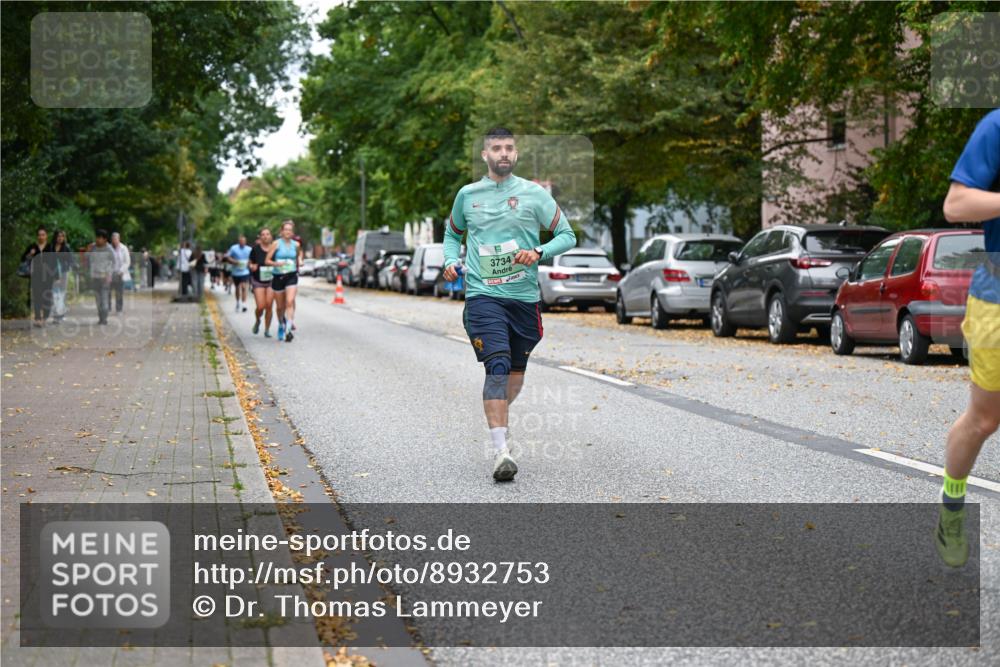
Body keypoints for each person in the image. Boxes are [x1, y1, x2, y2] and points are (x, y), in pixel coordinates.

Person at [442, 127, 576, 481]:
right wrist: (449, 260)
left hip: (524, 298)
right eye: (496, 148)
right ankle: (500, 449)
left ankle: (497, 417)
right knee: (497, 366)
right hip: (483, 295)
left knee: (515, 376)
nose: (504, 153)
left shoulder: (534, 194)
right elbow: (452, 234)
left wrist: (538, 252)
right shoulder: (468, 195)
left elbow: (567, 235)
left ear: (515, 154)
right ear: (485, 155)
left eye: (509, 148)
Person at [936, 108, 1000, 568]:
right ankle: (952, 509)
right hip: (997, 298)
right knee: (984, 420)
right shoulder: (996, 127)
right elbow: (955, 205)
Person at [265, 220, 303, 342]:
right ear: (281, 231)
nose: (288, 232)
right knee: (280, 307)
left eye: (290, 230)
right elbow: (267, 261)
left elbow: (298, 256)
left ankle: (288, 329)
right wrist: (277, 263)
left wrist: (300, 261)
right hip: (278, 276)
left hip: (291, 275)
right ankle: (281, 324)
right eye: (285, 229)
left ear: (292, 232)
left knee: (290, 301)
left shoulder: (296, 245)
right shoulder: (276, 244)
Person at [20, 225, 55, 326]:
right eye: (39, 235)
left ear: (46, 236)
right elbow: (23, 259)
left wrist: (56, 275)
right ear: (37, 236)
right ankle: (38, 318)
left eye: (43, 235)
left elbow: (54, 262)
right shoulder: (32, 247)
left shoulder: (50, 247)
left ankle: (45, 317)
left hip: (48, 276)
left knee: (47, 297)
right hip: (35, 276)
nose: (41, 237)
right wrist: (30, 254)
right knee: (37, 297)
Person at [249, 228, 276, 337]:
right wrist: (252, 266)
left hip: (272, 280)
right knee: (260, 306)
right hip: (258, 280)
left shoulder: (275, 248)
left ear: (271, 236)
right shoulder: (255, 249)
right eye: (263, 234)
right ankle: (258, 320)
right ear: (260, 237)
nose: (265, 236)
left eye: (267, 234)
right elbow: (250, 262)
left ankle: (267, 329)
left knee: (269, 305)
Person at [88, 230, 115, 325]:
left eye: (99, 238)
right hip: (95, 277)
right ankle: (100, 317)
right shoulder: (93, 248)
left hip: (105, 278)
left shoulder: (109, 249)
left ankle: (104, 318)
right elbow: (90, 261)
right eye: (97, 237)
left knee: (104, 300)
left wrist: (109, 274)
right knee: (98, 299)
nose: (97, 240)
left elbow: (114, 263)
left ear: (104, 239)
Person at [50, 230, 76, 322]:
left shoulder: (66, 248)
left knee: (61, 294)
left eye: (62, 236)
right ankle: (56, 314)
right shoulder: (51, 247)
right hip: (52, 273)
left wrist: (67, 266)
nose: (60, 238)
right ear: (55, 237)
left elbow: (71, 260)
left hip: (64, 273)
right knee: (54, 294)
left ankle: (60, 315)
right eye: (58, 236)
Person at [225, 235, 252, 312]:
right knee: (237, 288)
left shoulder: (249, 249)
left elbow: (252, 258)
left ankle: (244, 304)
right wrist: (234, 261)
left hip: (245, 271)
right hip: (236, 272)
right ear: (238, 241)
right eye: (241, 241)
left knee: (244, 287)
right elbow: (228, 257)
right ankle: (238, 302)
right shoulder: (233, 248)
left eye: (244, 241)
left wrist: (249, 262)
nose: (242, 242)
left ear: (246, 242)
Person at [109, 232, 130, 313]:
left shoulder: (123, 248)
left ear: (119, 239)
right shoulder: (108, 248)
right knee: (108, 292)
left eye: (116, 239)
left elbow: (127, 261)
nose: (114, 241)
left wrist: (121, 271)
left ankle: (119, 309)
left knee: (119, 292)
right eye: (113, 239)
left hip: (120, 273)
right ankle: (108, 308)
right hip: (110, 273)